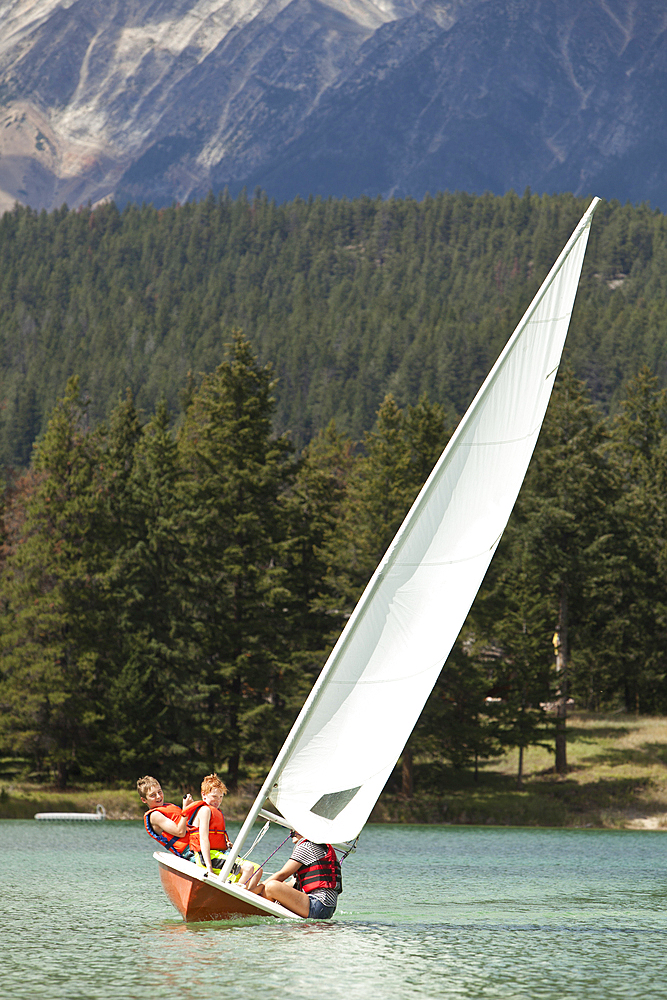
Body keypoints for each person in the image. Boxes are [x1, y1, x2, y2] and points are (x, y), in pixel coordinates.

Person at [183, 773, 262, 890]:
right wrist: (209, 868)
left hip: (220, 853)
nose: (218, 800)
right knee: (248, 868)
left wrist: (227, 843)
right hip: (207, 856)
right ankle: (233, 895)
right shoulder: (205, 810)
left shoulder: (216, 812)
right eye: (214, 796)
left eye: (220, 797)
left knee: (257, 869)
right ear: (203, 795)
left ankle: (244, 896)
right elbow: (204, 839)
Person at [249, 830, 342, 919]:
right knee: (278, 886)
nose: (291, 832)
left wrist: (253, 891)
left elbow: (282, 874)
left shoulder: (306, 846)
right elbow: (292, 883)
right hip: (326, 909)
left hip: (317, 904)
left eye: (294, 829)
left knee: (271, 886)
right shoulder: (321, 847)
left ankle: (253, 911)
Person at [137, 775, 194, 860]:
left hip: (199, 843)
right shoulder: (155, 815)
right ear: (144, 800)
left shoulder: (168, 806)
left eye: (159, 792)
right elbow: (180, 832)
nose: (158, 796)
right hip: (190, 851)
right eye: (153, 795)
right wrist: (186, 809)